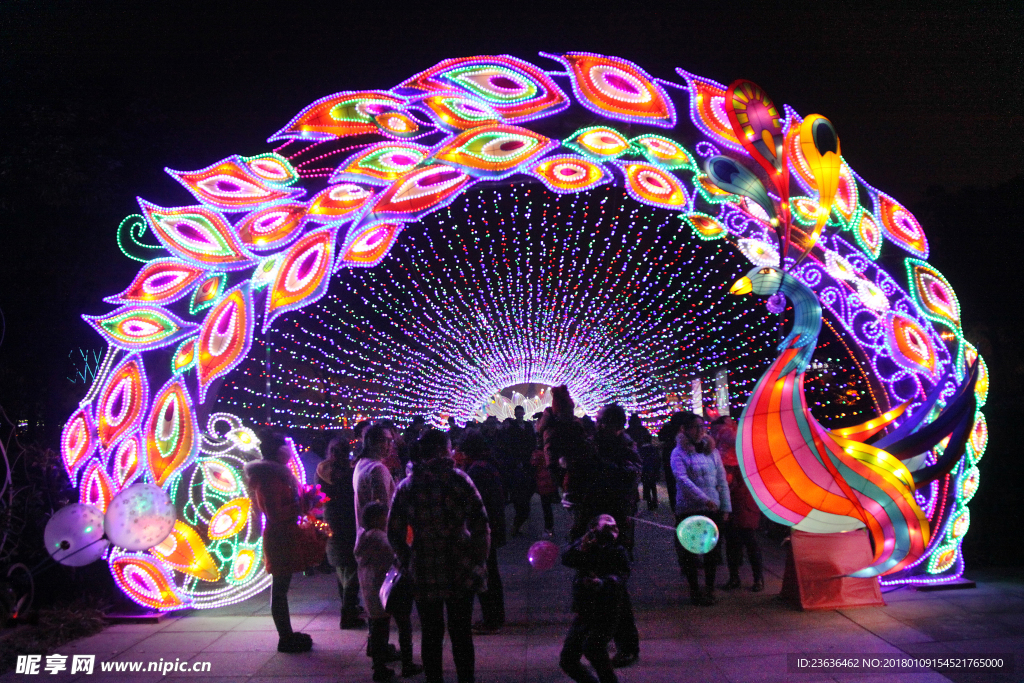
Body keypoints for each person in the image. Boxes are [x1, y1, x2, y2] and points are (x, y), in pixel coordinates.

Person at [388, 429, 490, 683]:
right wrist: (478, 558)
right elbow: (481, 522)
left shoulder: (407, 486)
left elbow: (394, 532)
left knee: (431, 633)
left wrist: (407, 559)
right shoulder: (459, 480)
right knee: (461, 633)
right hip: (460, 566)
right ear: (444, 450)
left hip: (424, 567)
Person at [243, 430, 315, 653]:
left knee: (281, 588)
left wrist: (305, 500)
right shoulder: (270, 478)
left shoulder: (276, 475)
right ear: (279, 452)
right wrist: (301, 506)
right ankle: (285, 637)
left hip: (285, 535)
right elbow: (275, 513)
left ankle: (287, 634)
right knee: (280, 589)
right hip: (279, 537)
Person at [589, 404, 640, 668]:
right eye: (597, 421)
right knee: (598, 582)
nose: (597, 425)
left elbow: (627, 478)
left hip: (616, 524)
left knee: (615, 583)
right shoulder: (596, 444)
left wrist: (598, 464)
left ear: (616, 426)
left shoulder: (626, 447)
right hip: (597, 520)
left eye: (602, 421)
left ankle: (627, 645)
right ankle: (607, 637)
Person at [355, 501, 423, 681]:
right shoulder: (381, 539)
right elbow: (396, 558)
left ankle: (379, 667)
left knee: (378, 629)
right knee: (403, 624)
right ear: (377, 519)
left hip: (372, 593)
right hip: (390, 589)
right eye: (385, 516)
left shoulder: (363, 538)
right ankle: (407, 663)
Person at [559, 514, 630, 683]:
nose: (613, 528)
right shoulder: (586, 545)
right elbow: (566, 558)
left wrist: (602, 583)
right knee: (568, 660)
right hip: (584, 610)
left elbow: (621, 576)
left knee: (593, 648)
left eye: (615, 526)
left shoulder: (618, 550)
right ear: (593, 528)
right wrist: (581, 548)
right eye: (607, 526)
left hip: (607, 611)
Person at [670, 413, 731, 606]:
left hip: (712, 509)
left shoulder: (712, 451)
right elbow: (682, 479)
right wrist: (704, 499)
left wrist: (725, 506)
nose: (700, 430)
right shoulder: (678, 453)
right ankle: (694, 590)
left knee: (712, 552)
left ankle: (710, 588)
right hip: (690, 509)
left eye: (702, 426)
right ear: (685, 430)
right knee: (690, 552)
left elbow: (721, 479)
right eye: (695, 427)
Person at [316, 436, 364, 629]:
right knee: (352, 567)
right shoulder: (350, 472)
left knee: (340, 566)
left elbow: (320, 495)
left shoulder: (321, 471)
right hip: (349, 519)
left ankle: (348, 606)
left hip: (331, 518)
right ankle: (348, 612)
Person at [711, 417, 764, 592]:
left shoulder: (733, 453)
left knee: (746, 541)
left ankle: (753, 578)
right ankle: (742, 578)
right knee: (735, 542)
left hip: (743, 501)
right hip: (735, 500)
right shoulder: (726, 447)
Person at [462, 432, 507, 634]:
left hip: (483, 528)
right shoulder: (488, 466)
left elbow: (474, 502)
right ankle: (495, 616)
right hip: (493, 525)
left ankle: (492, 618)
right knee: (491, 571)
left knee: (486, 573)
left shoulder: (477, 470)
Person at [535, 385, 593, 538]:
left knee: (578, 505)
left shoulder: (573, 425)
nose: (569, 414)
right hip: (563, 469)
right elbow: (550, 455)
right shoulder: (553, 429)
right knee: (573, 503)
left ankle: (579, 532)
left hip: (574, 469)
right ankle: (577, 533)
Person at [355, 424, 397, 537]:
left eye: (391, 441)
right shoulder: (377, 469)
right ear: (372, 442)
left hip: (365, 536)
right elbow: (382, 510)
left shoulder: (361, 464)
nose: (390, 445)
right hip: (380, 538)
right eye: (385, 440)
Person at [507, 406, 539, 538]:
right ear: (515, 414)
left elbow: (533, 442)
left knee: (529, 488)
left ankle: (522, 515)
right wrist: (516, 460)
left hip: (528, 462)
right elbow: (510, 446)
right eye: (518, 413)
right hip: (518, 464)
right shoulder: (512, 428)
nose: (520, 415)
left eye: (521, 413)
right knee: (521, 492)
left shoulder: (528, 426)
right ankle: (519, 519)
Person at [657, 412, 688, 514]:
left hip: (668, 457)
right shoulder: (685, 431)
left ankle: (675, 507)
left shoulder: (668, 427)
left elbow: (660, 437)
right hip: (676, 457)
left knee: (671, 483)